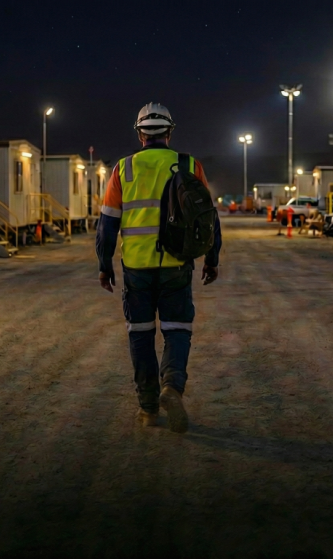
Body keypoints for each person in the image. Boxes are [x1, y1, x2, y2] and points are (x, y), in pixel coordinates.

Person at [95, 102, 223, 434]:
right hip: (177, 264)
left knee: (140, 335)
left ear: (140, 134)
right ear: (170, 132)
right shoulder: (189, 164)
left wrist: (104, 265)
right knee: (177, 330)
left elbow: (107, 225)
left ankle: (149, 407)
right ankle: (172, 386)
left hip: (136, 266)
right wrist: (212, 259)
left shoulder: (123, 169)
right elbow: (208, 218)